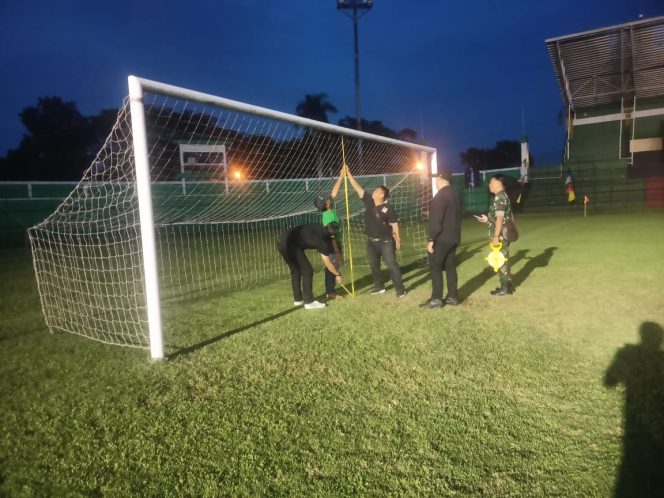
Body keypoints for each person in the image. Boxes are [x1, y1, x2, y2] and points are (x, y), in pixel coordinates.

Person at [343, 164, 406, 297]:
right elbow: (358, 188)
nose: (374, 192)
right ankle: (379, 286)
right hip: (371, 242)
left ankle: (400, 290)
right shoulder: (369, 202)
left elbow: (394, 224)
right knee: (374, 265)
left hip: (386, 241)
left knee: (392, 265)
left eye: (377, 191)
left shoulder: (388, 208)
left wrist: (398, 239)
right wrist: (348, 174)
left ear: (382, 194)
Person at [277, 222, 343, 309]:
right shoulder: (322, 242)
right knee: (307, 270)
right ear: (332, 235)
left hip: (281, 241)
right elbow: (328, 264)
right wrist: (337, 274)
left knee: (296, 270)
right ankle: (309, 302)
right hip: (291, 244)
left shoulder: (317, 225)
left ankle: (298, 300)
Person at [420, 170, 461, 308]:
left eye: (436, 179)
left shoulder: (440, 196)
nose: (435, 182)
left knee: (435, 267)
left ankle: (436, 299)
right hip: (453, 237)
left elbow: (436, 221)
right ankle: (452, 297)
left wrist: (431, 239)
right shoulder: (454, 194)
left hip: (441, 238)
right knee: (450, 267)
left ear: (441, 179)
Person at [476, 174, 514, 296]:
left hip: (500, 235)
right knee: (503, 259)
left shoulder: (500, 198)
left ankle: (505, 289)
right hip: (502, 233)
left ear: (498, 183)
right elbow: (499, 217)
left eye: (491, 182)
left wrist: (496, 236)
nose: (489, 185)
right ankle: (507, 286)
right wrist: (487, 219)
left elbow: (500, 218)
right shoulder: (503, 196)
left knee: (500, 260)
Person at [317, 169, 345, 299]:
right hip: (331, 244)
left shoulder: (330, 209)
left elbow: (334, 192)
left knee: (334, 265)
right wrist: (337, 251)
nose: (329, 198)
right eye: (326, 200)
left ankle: (331, 290)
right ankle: (331, 292)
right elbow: (332, 236)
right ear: (326, 205)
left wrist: (340, 177)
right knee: (331, 267)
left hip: (335, 242)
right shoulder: (328, 216)